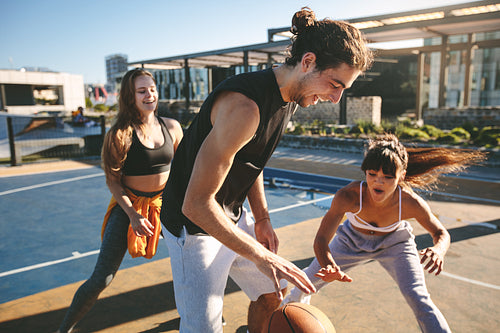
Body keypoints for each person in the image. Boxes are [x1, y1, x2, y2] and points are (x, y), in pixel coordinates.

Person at [160, 7, 374, 333]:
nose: (335, 98)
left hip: (232, 213)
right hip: (192, 228)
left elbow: (250, 160)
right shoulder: (244, 107)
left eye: (343, 88)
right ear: (307, 62)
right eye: (334, 84)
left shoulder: (289, 96)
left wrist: (261, 217)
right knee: (202, 329)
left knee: (273, 293)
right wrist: (264, 256)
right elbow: (196, 205)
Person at [283, 133, 485, 333]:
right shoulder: (348, 196)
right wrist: (328, 266)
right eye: (372, 175)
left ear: (401, 177)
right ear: (366, 173)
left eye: (388, 177)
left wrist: (439, 250)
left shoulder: (409, 203)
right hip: (350, 241)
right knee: (302, 285)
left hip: (395, 243)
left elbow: (441, 232)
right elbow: (321, 239)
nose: (378, 182)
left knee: (418, 297)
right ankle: (282, 323)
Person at [57, 68, 183, 333]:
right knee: (101, 278)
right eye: (141, 91)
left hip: (165, 206)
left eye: (152, 88)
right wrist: (133, 215)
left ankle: (195, 315)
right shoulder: (119, 134)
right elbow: (113, 181)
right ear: (130, 96)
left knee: (190, 264)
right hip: (130, 208)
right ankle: (65, 328)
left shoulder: (172, 127)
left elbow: (182, 170)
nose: (149, 94)